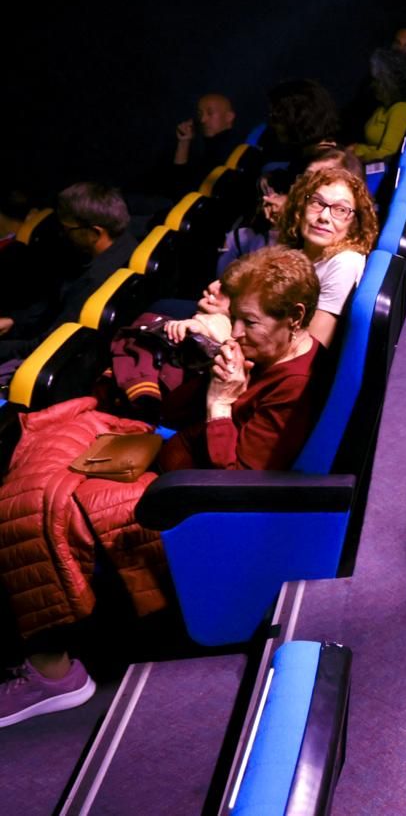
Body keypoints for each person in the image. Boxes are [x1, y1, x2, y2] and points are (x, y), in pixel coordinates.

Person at [0, 246, 332, 728]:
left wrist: (220, 408)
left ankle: (53, 671)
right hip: (172, 458)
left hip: (191, 499)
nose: (237, 333)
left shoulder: (296, 386)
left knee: (40, 505)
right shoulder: (262, 349)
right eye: (234, 319)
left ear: (295, 317)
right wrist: (208, 365)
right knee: (54, 440)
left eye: (251, 323)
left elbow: (239, 486)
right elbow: (174, 415)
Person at [0, 183, 141, 373]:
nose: (63, 234)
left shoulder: (95, 282)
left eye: (68, 229)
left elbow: (48, 347)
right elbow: (54, 303)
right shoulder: (128, 242)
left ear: (95, 232)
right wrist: (15, 322)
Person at [276, 167, 378, 346]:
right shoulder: (297, 251)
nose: (323, 216)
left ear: (354, 222)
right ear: (300, 207)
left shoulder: (344, 263)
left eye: (341, 210)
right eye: (316, 203)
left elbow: (312, 349)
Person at [349, 48, 406, 163]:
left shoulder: (402, 109)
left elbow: (387, 154)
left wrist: (353, 158)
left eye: (377, 80)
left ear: (389, 83)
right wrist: (357, 149)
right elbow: (375, 147)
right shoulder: (383, 107)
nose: (373, 85)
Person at [171, 93, 240, 190]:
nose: (203, 120)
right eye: (200, 114)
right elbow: (178, 183)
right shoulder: (203, 146)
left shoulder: (236, 150)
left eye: (210, 113)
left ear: (229, 117)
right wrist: (184, 142)